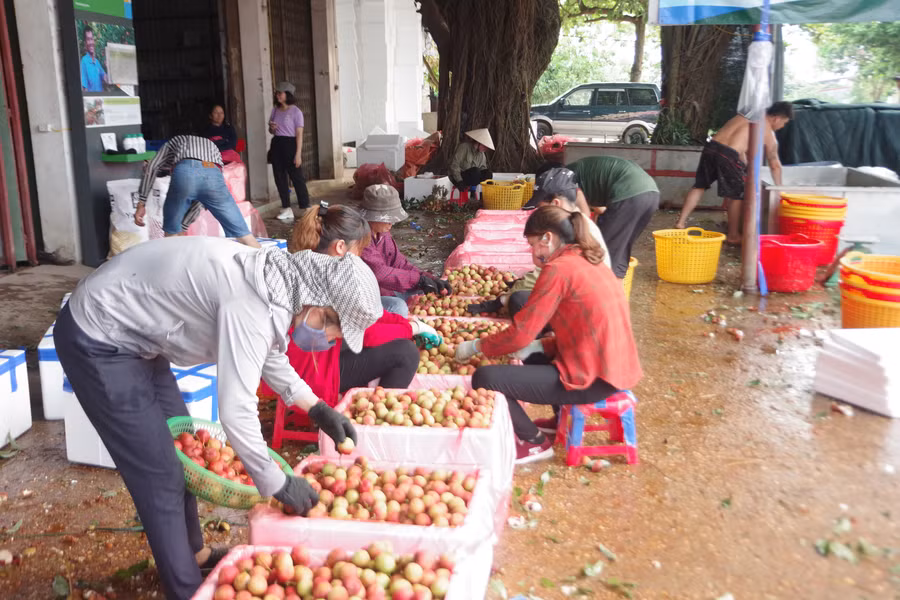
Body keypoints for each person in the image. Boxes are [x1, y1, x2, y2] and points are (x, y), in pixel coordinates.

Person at [54, 236, 382, 599]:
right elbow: (236, 410)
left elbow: (266, 354)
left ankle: (195, 554)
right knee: (159, 472)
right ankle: (186, 590)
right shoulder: (252, 301)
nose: (333, 339)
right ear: (322, 306)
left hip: (139, 337)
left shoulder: (277, 283)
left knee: (185, 451)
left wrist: (316, 407)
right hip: (100, 334)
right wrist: (275, 482)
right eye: (336, 330)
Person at [456, 205, 642, 464]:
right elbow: (584, 327)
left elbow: (520, 334)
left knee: (485, 377)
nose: (532, 253)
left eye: (533, 245)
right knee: (532, 354)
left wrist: (476, 346)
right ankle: (558, 420)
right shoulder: (589, 258)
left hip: (594, 379)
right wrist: (541, 347)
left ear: (548, 238)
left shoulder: (558, 268)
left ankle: (532, 442)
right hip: (613, 368)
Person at [261, 203, 436, 406]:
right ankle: (374, 416)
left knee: (397, 329)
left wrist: (407, 323)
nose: (360, 257)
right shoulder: (335, 280)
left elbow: (372, 316)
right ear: (340, 247)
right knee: (405, 353)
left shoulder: (312, 263)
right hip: (308, 375)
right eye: (358, 250)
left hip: (308, 360)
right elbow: (368, 335)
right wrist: (411, 328)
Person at [467, 167, 611, 319]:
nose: (537, 213)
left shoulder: (570, 232)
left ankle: (547, 331)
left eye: (541, 208)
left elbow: (546, 274)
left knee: (519, 300)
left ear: (556, 203)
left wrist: (502, 300)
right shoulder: (576, 220)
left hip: (584, 311)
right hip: (584, 299)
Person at [675, 101, 793, 244]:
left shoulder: (748, 114)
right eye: (784, 123)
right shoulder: (768, 134)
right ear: (777, 118)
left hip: (712, 147)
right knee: (737, 194)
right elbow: (775, 165)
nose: (782, 126)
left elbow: (739, 147)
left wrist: (744, 165)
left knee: (699, 186)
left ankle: (680, 223)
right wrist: (779, 189)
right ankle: (733, 235)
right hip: (728, 155)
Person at [133, 135, 260, 248]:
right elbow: (201, 201)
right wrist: (184, 225)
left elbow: (152, 167)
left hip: (185, 169)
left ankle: (176, 268)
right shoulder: (211, 146)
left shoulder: (172, 142)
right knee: (244, 235)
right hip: (213, 171)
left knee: (171, 234)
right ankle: (266, 264)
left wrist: (141, 203)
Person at [359, 184, 452, 317]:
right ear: (373, 216)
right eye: (388, 218)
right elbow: (379, 273)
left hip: (383, 289)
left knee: (422, 290)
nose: (392, 223)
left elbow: (399, 263)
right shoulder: (360, 237)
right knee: (398, 307)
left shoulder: (383, 233)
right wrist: (417, 280)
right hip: (364, 295)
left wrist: (428, 278)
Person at [566, 156, 660, 278]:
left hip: (629, 193)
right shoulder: (584, 175)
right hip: (651, 193)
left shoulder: (565, 178)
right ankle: (617, 289)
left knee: (604, 251)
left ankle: (604, 290)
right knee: (620, 247)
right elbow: (600, 210)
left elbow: (584, 216)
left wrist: (585, 240)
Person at [269, 81, 310, 221]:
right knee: (279, 177)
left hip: (290, 144)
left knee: (297, 177)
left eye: (280, 93)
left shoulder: (296, 112)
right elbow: (271, 130)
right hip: (277, 143)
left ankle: (305, 207)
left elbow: (299, 134)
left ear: (288, 95)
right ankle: (286, 208)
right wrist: (272, 128)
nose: (277, 95)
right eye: (277, 93)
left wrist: (298, 154)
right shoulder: (275, 110)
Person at [80, 26, 107, 92]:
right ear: (85, 43)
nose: (91, 42)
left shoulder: (97, 62)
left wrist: (108, 67)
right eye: (88, 39)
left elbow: (106, 80)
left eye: (92, 39)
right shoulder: (84, 62)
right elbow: (84, 89)